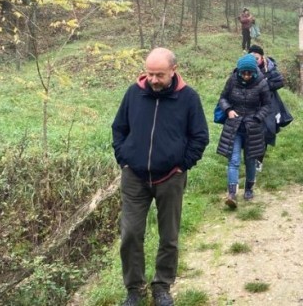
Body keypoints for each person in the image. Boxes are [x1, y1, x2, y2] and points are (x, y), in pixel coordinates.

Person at [112, 48, 209, 306]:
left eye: (160, 75)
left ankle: (162, 286)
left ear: (173, 70)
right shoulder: (134, 93)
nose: (154, 80)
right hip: (134, 176)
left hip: (170, 177)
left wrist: (183, 165)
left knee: (169, 236)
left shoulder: (188, 98)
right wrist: (124, 159)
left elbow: (200, 136)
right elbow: (118, 128)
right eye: (150, 74)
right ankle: (134, 289)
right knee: (131, 233)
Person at [216, 53, 272, 207]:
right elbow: (223, 98)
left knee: (250, 159)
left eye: (249, 73)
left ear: (254, 72)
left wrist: (258, 117)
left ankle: (249, 188)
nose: (246, 76)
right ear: (239, 71)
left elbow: (267, 104)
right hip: (234, 126)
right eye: (243, 73)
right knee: (233, 160)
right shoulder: (232, 80)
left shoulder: (261, 83)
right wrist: (228, 110)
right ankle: (232, 194)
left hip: (253, 126)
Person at [248, 44, 293, 172]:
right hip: (250, 106)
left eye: (256, 58)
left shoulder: (270, 69)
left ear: (262, 57)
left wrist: (265, 86)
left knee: (265, 133)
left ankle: (258, 161)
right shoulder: (245, 68)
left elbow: (280, 82)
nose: (254, 61)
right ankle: (250, 157)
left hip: (268, 105)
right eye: (252, 59)